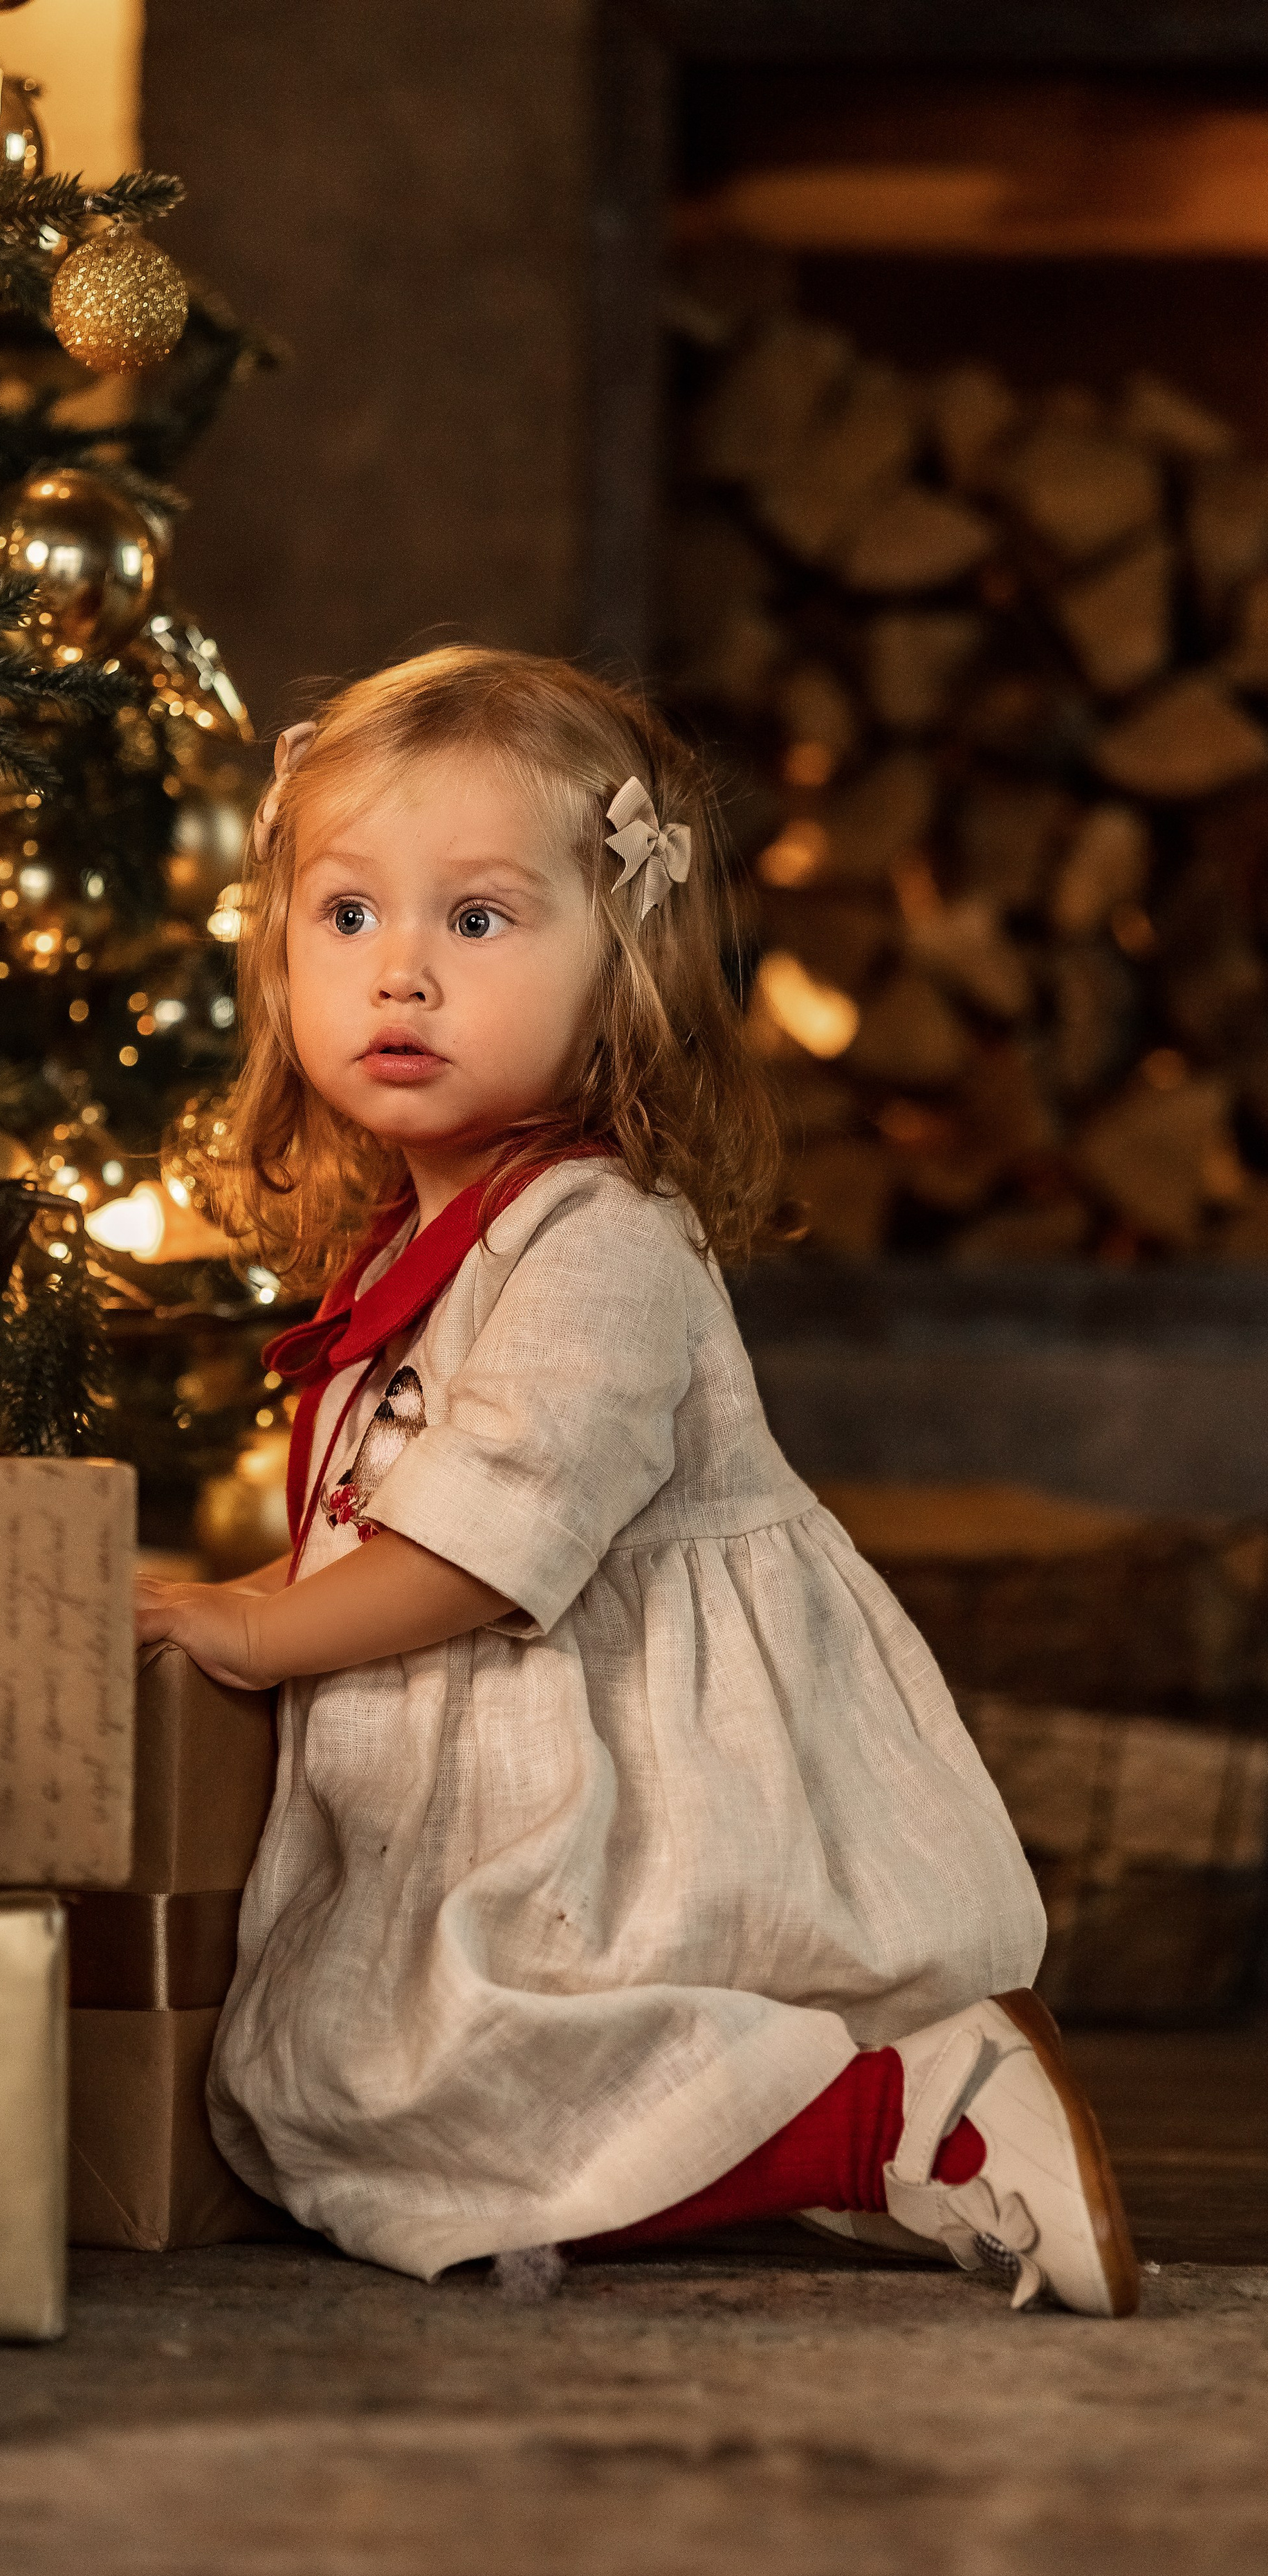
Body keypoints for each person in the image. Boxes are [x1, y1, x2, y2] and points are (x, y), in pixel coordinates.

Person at [134, 647, 1138, 2318]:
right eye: (349, 916)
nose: (400, 979)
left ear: (622, 968)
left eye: (475, 921)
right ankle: (767, 2140)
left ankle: (904, 2119)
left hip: (615, 1767)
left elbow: (483, 1543)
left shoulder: (597, 1239)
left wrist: (251, 1619)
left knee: (417, 2066)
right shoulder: (425, 1234)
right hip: (482, 1747)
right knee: (317, 2093)